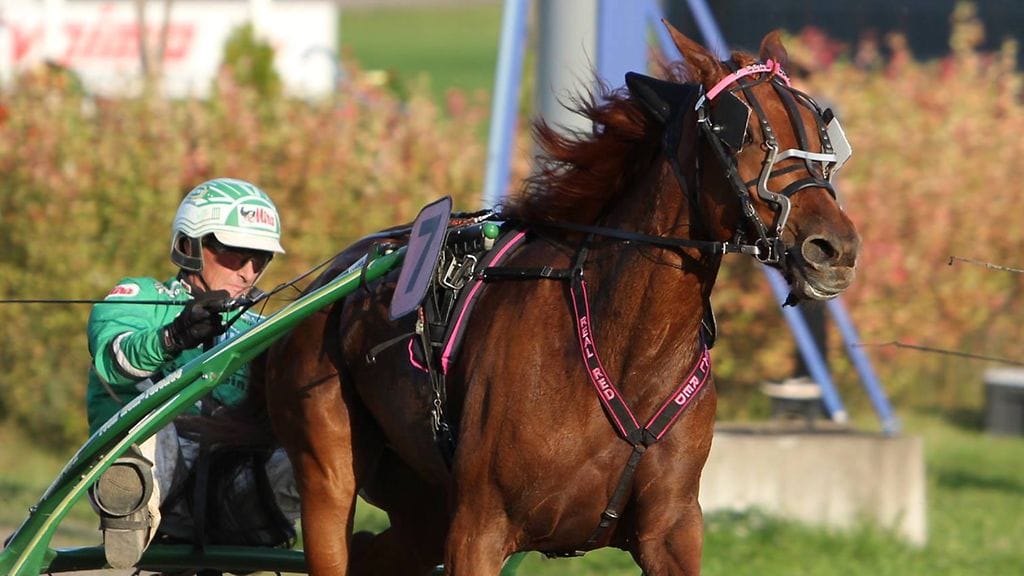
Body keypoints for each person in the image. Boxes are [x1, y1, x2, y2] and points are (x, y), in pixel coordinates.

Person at [85, 178, 300, 569]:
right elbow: (114, 363)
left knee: (313, 448)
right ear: (190, 246)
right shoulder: (138, 297)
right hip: (156, 473)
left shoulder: (265, 331)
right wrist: (173, 336)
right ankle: (128, 499)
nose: (250, 272)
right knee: (152, 414)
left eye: (261, 258)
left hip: (236, 486)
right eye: (237, 254)